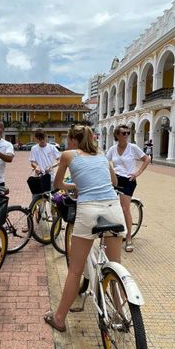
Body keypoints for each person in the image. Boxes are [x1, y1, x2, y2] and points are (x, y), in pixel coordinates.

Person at [43, 124, 124, 332]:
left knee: (75, 270)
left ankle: (59, 318)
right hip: (113, 208)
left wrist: (75, 186)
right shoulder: (102, 155)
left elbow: (58, 183)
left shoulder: (68, 155)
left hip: (89, 210)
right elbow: (114, 181)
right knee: (116, 266)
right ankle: (122, 314)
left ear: (72, 139)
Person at [105, 124, 151, 253]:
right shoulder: (112, 149)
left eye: (128, 133)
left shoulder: (133, 148)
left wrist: (138, 172)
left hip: (128, 180)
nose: (126, 135)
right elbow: (104, 162)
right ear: (117, 135)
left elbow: (147, 159)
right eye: (123, 133)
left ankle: (129, 237)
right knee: (111, 206)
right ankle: (113, 231)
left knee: (125, 209)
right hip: (115, 179)